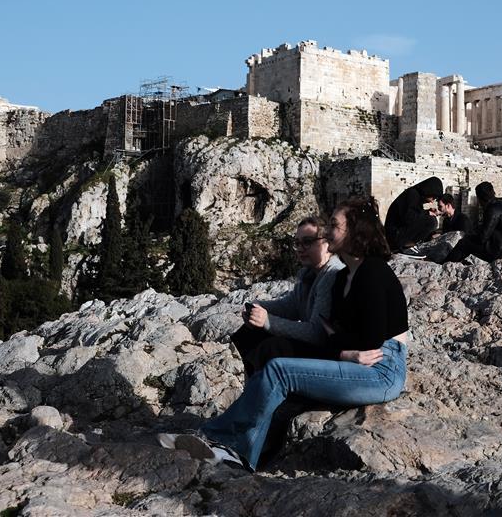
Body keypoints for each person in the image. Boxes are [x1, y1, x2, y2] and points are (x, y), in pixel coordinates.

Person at [160, 197, 409, 471]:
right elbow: (333, 335)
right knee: (274, 369)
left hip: (382, 371)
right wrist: (342, 348)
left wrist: (341, 347)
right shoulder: (343, 279)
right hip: (356, 364)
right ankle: (241, 456)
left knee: (280, 370)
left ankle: (218, 439)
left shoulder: (372, 272)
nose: (327, 232)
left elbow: (369, 342)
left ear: (355, 230)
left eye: (334, 225)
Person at [229, 217, 343, 377]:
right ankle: (252, 387)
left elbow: (317, 333)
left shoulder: (331, 275)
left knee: (273, 346)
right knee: (249, 332)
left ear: (328, 244)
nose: (300, 249)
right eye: (297, 243)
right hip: (319, 345)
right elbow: (290, 307)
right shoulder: (309, 274)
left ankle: (263, 392)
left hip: (332, 353)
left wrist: (268, 321)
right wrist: (257, 306)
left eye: (308, 242)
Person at [440, 182, 502, 263]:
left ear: (480, 199)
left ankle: (444, 265)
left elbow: (483, 238)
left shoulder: (492, 210)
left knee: (464, 243)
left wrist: (469, 237)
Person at [384, 176, 444, 255]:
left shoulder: (414, 195)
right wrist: (427, 213)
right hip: (394, 235)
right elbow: (409, 218)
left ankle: (408, 245)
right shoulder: (412, 194)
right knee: (431, 221)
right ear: (429, 190)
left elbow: (412, 213)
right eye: (434, 197)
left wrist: (427, 212)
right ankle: (407, 246)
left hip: (396, 233)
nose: (433, 201)